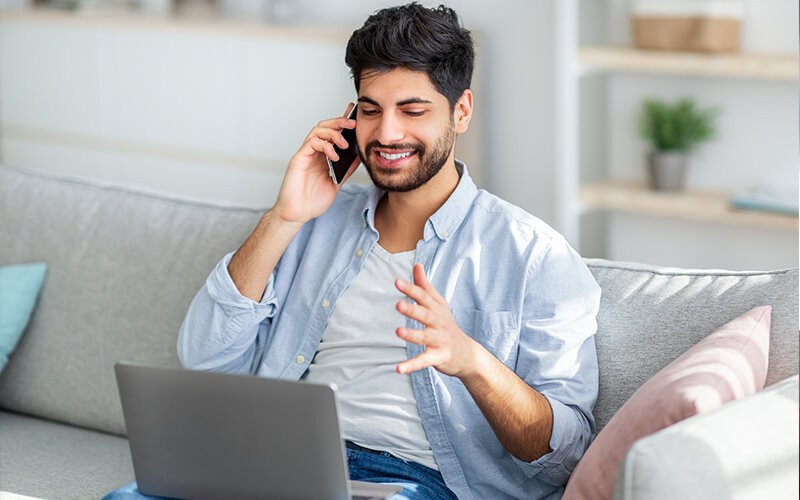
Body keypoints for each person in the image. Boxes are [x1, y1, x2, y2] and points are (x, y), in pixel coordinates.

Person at [179, 3, 600, 499]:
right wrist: (284, 217)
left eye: (413, 110)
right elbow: (203, 363)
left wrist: (471, 360)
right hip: (280, 461)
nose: (386, 134)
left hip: (415, 481)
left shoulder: (533, 255)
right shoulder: (313, 224)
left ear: (460, 111)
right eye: (371, 109)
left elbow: (564, 458)